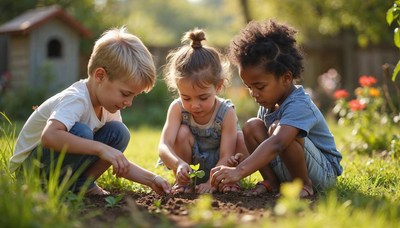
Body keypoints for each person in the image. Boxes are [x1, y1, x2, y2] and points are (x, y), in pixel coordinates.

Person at [9, 27, 171, 196]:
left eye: (133, 97)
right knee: (81, 132)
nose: (129, 103)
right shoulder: (76, 98)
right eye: (125, 94)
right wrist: (99, 148)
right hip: (29, 171)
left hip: (54, 164)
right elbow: (49, 136)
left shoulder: (109, 108)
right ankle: (43, 187)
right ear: (100, 76)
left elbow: (116, 158)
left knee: (119, 133)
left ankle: (81, 184)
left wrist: (152, 179)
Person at [210, 20, 343, 198]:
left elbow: (278, 142)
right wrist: (243, 161)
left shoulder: (299, 104)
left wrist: (240, 171)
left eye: (260, 86)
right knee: (251, 127)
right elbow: (267, 144)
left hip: (324, 174)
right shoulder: (269, 103)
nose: (254, 93)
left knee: (279, 130)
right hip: (289, 168)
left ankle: (305, 185)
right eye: (249, 87)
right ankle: (272, 182)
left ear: (286, 78)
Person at [158, 28, 247, 194]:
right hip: (189, 166)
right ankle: (185, 182)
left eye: (203, 97)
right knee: (182, 132)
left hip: (222, 165)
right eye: (186, 97)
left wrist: (210, 183)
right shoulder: (177, 109)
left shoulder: (226, 112)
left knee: (241, 138)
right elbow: (164, 146)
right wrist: (178, 164)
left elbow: (227, 154)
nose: (194, 105)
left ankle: (228, 181)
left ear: (218, 86)